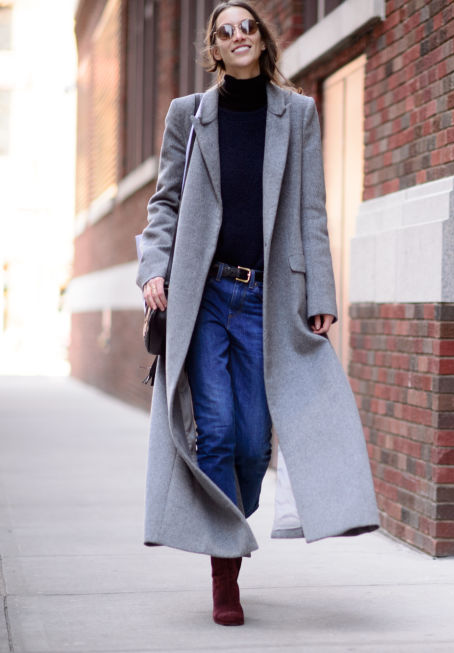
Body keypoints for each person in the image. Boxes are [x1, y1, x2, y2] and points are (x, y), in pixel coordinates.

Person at [136, 1, 378, 627]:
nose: (238, 36)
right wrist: (153, 269)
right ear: (214, 50)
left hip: (267, 299)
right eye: (225, 31)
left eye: (247, 27)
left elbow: (311, 210)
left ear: (262, 41)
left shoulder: (296, 114)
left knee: (251, 443)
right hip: (205, 294)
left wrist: (320, 294)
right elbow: (164, 203)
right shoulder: (189, 117)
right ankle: (226, 571)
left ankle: (224, 522)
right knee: (213, 429)